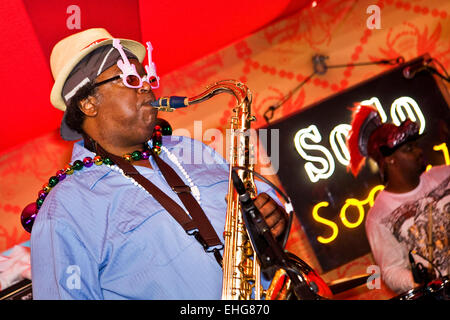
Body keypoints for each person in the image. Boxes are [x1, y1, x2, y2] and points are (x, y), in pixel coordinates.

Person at [27, 28, 289, 299]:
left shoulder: (191, 149)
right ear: (88, 103)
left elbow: (262, 208)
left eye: (145, 76)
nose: (145, 86)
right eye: (128, 78)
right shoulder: (64, 209)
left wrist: (272, 221)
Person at [346, 104, 449, 295]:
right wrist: (418, 279)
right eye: (409, 148)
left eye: (416, 146)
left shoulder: (445, 175)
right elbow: (391, 270)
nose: (418, 151)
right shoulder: (378, 217)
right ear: (390, 160)